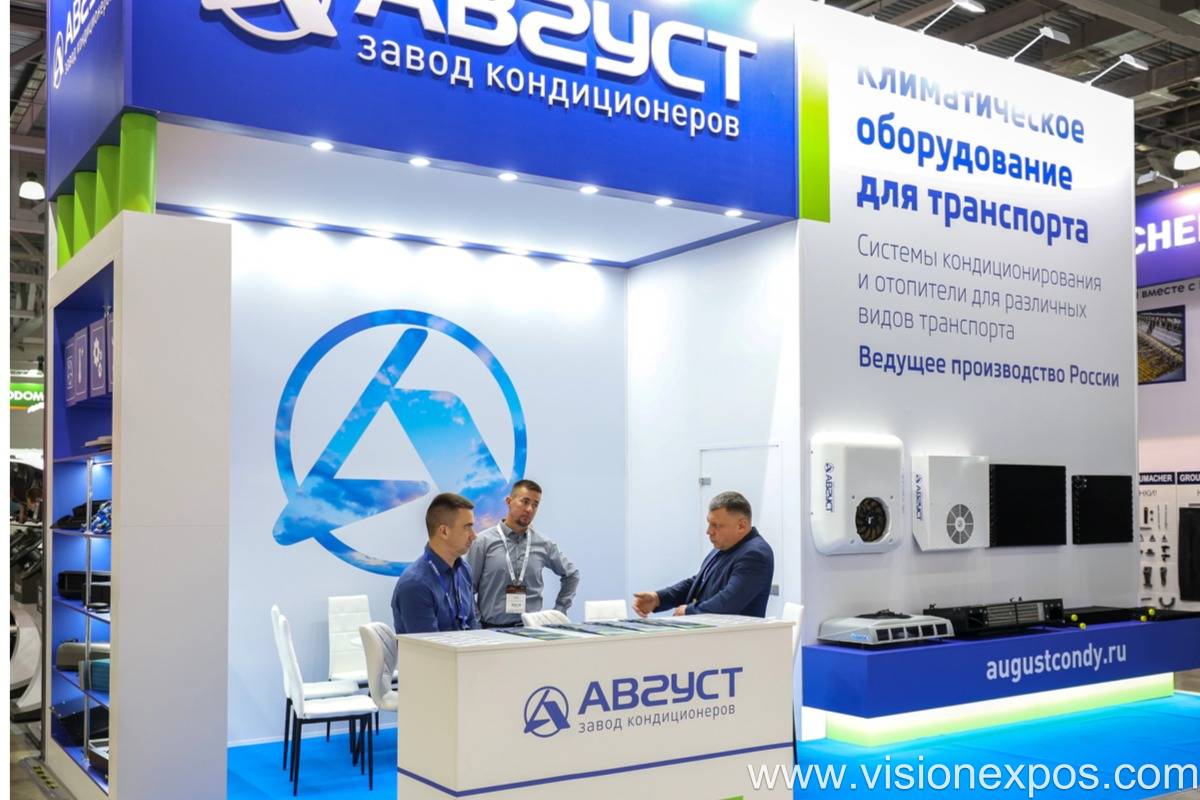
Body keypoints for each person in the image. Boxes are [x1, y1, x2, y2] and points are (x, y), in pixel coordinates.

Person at [632, 491, 773, 618]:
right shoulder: (723, 547)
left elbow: (728, 602)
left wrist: (689, 611)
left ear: (741, 525)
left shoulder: (755, 554)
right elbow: (698, 583)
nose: (709, 531)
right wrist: (658, 598)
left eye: (716, 525)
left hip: (733, 637)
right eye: (709, 523)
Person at [468, 479, 580, 627]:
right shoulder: (482, 542)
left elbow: (572, 574)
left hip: (532, 631)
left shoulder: (543, 544)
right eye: (525, 502)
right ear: (509, 501)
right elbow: (467, 587)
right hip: (492, 630)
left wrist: (559, 611)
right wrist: (476, 623)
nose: (529, 509)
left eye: (535, 505)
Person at [392, 492, 480, 634]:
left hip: (466, 647)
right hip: (436, 649)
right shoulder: (415, 584)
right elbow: (427, 645)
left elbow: (472, 625)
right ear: (444, 531)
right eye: (467, 527)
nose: (474, 535)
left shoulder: (464, 570)